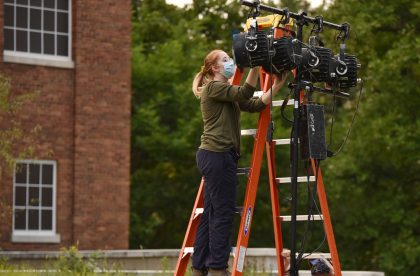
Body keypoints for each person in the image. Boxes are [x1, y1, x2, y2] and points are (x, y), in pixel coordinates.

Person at [191, 49, 288, 276]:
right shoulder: (214, 88)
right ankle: (217, 268)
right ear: (214, 69)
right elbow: (246, 90)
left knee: (211, 213)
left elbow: (254, 103)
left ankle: (199, 268)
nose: (230, 63)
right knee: (222, 213)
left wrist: (277, 85)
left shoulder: (226, 93)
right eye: (225, 60)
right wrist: (255, 65)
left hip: (215, 156)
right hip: (217, 156)